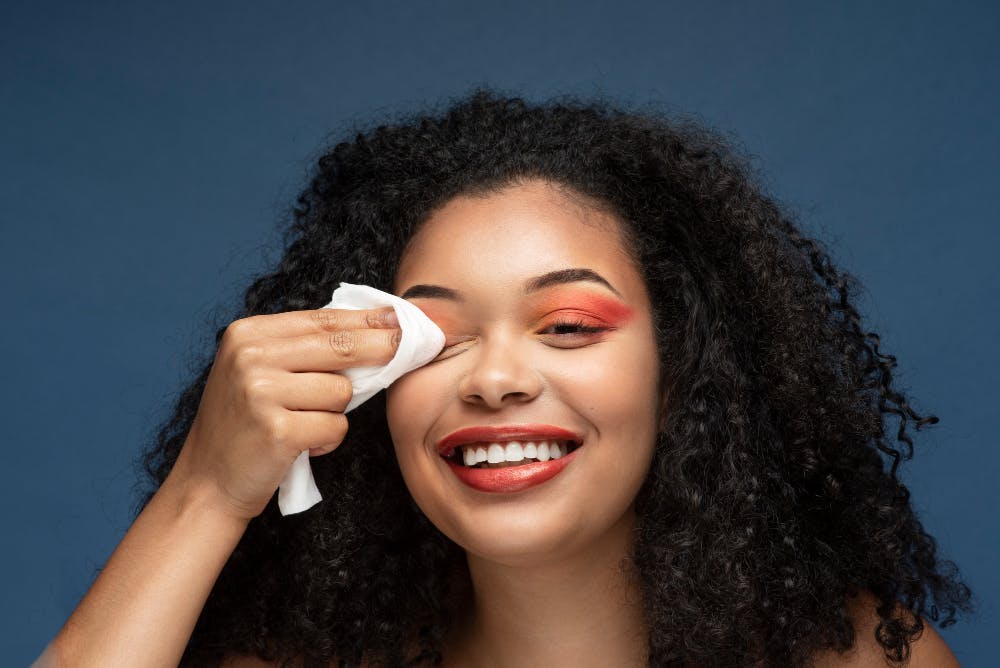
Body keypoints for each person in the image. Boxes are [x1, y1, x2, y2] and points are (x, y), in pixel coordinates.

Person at [43, 91, 972, 667]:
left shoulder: (869, 661)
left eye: (567, 326)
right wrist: (207, 490)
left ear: (684, 366)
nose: (493, 379)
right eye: (435, 338)